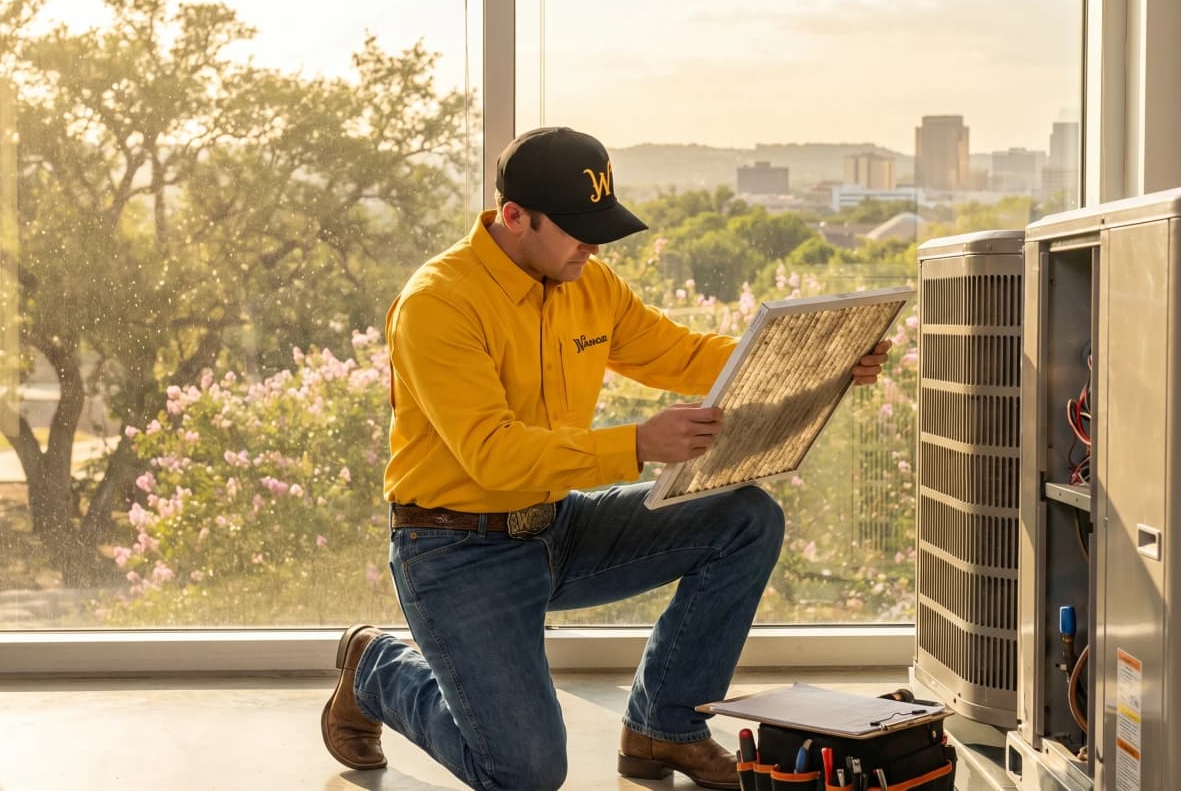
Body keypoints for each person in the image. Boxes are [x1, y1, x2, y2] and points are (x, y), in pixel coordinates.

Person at [321, 127, 893, 790]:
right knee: (523, 774)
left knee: (744, 518)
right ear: (514, 217)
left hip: (554, 526)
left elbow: (680, 352)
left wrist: (822, 356)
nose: (594, 246)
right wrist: (639, 444)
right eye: (577, 229)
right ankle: (376, 670)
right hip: (454, 550)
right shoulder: (438, 303)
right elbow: (492, 457)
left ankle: (663, 727)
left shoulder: (588, 284)